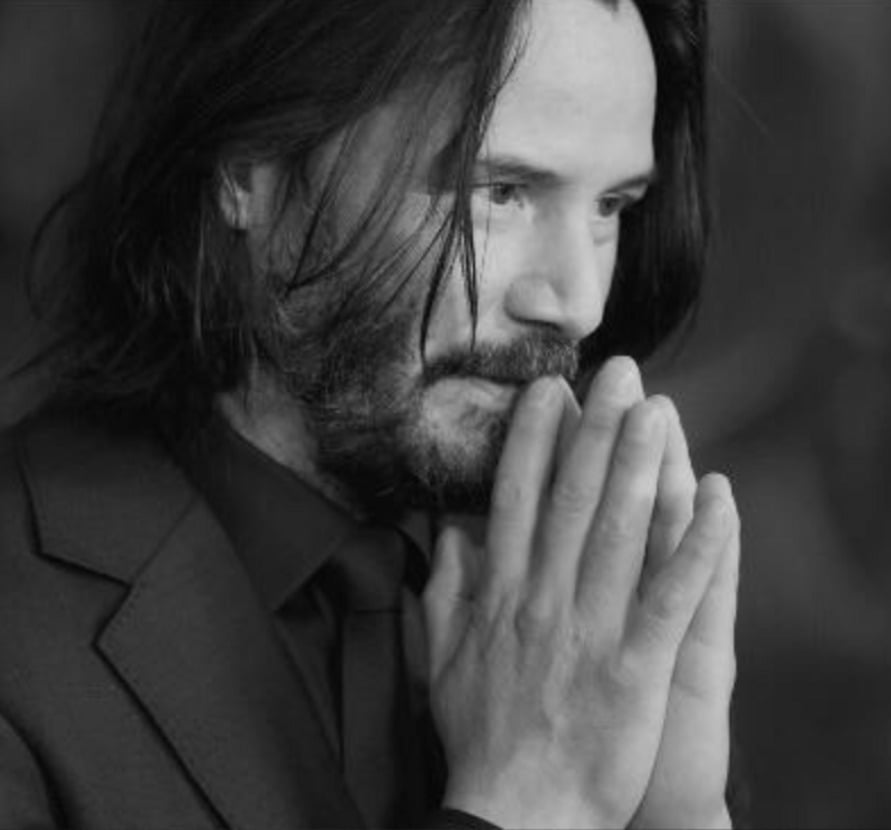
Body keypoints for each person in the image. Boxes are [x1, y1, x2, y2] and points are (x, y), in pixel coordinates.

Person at [0, 0, 741, 828]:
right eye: (502, 191)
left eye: (613, 208)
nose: (577, 301)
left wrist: (675, 819)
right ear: (248, 170)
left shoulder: (578, 636)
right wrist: (527, 804)